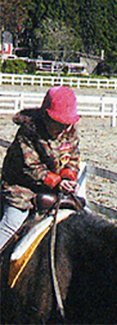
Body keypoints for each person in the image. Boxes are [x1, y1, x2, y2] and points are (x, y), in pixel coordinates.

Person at [0, 86, 81, 253]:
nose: (63, 130)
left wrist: (67, 179)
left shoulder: (69, 133)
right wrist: (57, 181)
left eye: (67, 124)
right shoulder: (28, 133)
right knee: (11, 224)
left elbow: (72, 158)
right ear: (46, 118)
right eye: (58, 124)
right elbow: (30, 167)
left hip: (55, 190)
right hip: (21, 189)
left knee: (83, 217)